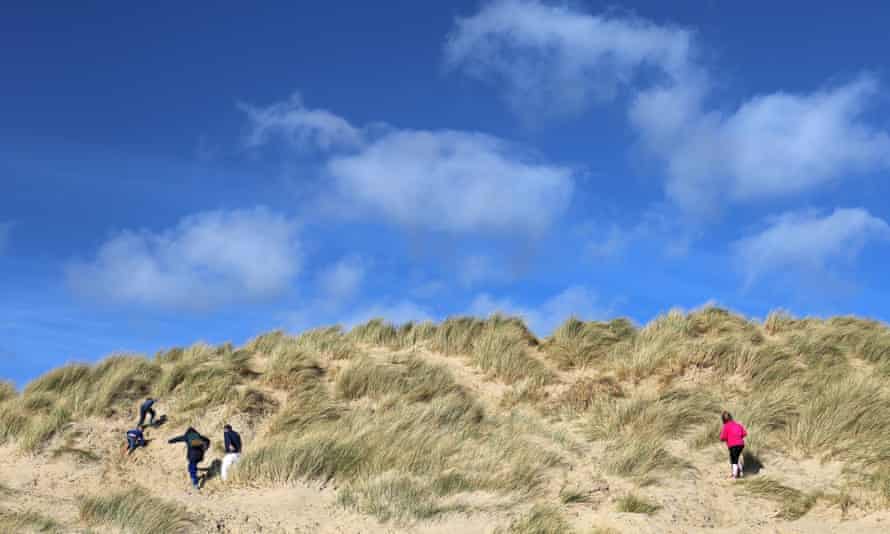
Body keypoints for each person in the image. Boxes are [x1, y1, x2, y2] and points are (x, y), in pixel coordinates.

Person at [719, 411, 747, 479]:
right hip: (741, 444)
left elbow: (723, 437)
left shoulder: (726, 426)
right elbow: (744, 433)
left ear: (723, 419)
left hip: (733, 445)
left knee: (734, 459)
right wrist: (738, 437)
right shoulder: (738, 425)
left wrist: (723, 439)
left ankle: (734, 475)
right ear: (731, 417)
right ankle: (741, 472)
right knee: (736, 458)